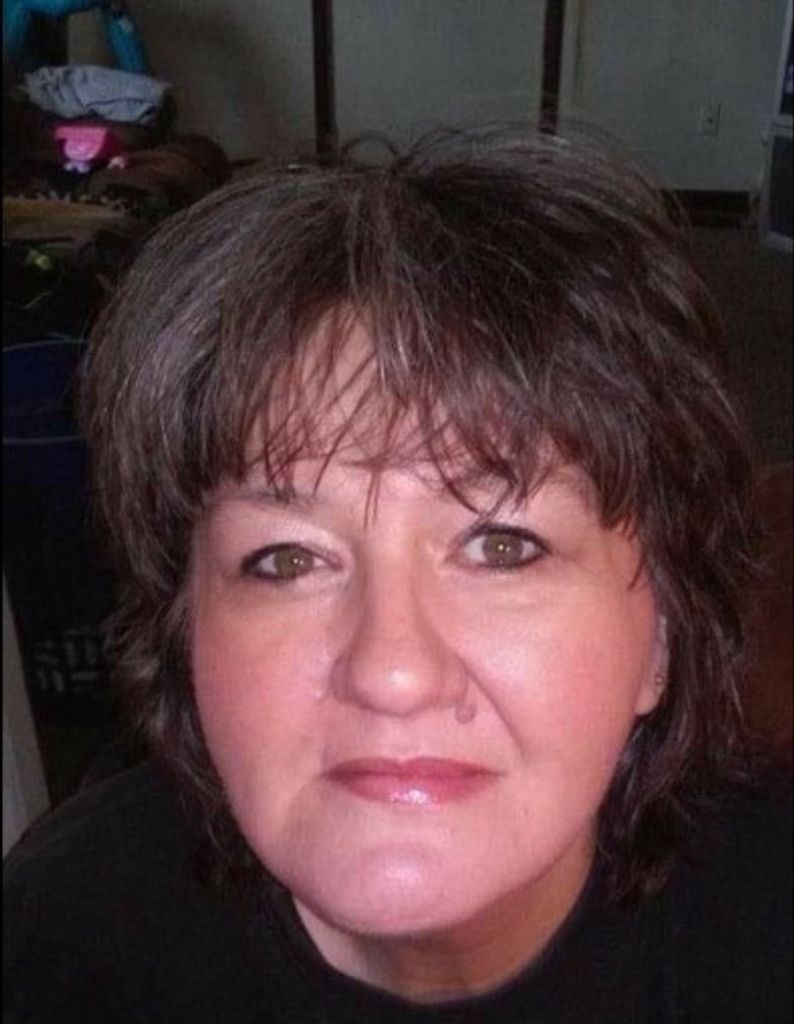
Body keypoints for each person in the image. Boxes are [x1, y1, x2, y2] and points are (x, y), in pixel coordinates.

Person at [4, 127, 791, 1023]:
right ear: (185, 633)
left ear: (662, 639)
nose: (392, 672)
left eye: (503, 547)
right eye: (287, 560)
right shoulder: (58, 941)